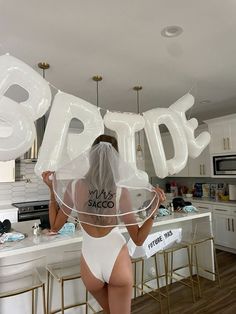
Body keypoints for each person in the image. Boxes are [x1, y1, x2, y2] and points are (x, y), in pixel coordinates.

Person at [42, 134, 166, 314]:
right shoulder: (120, 191)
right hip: (117, 262)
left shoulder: (75, 186)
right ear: (116, 160)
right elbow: (138, 239)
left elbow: (54, 226)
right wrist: (155, 208)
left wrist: (52, 190)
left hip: (90, 265)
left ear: (91, 156)